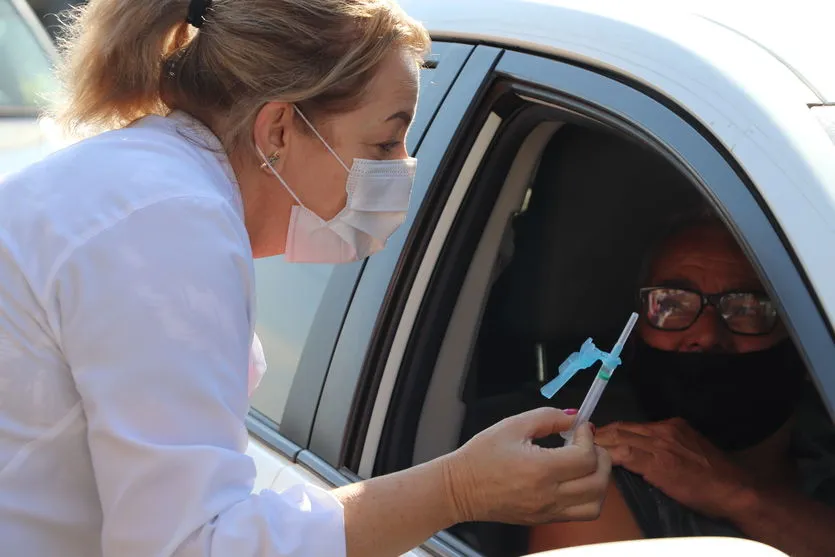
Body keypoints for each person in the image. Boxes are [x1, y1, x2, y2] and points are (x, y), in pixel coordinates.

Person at [0, 0, 612, 556]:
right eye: (385, 140)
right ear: (278, 131)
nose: (403, 168)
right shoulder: (168, 219)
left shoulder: (151, 185)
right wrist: (456, 489)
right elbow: (195, 545)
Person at [529, 217, 835, 557]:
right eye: (671, 304)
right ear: (634, 336)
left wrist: (738, 495)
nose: (706, 335)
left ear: (801, 338)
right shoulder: (595, 489)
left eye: (747, 307)